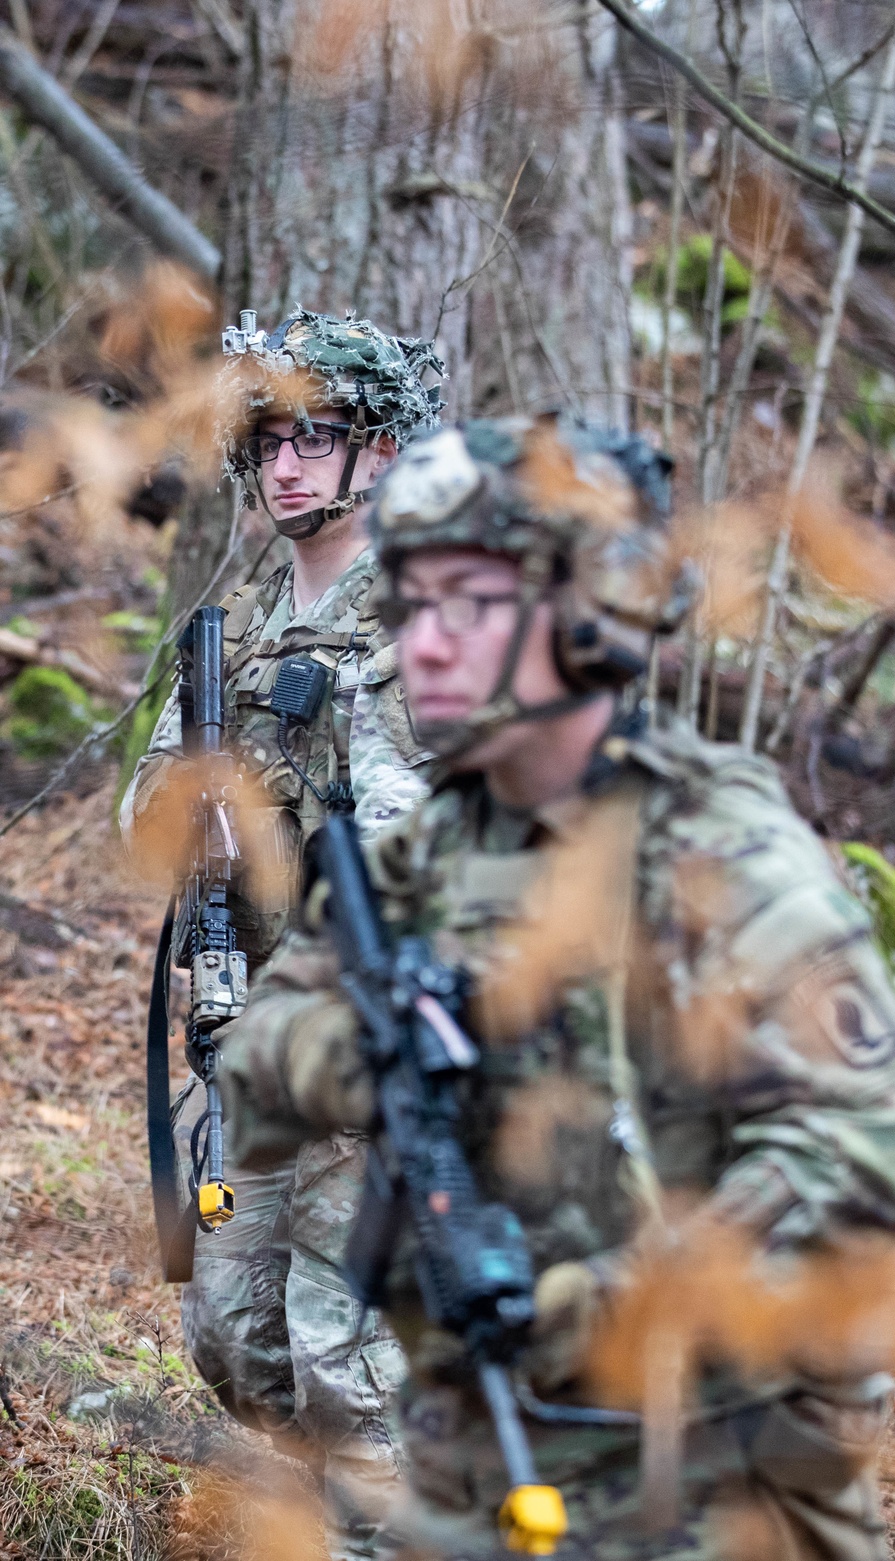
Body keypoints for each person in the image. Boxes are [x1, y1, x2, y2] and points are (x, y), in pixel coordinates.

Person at [215, 415, 895, 1561]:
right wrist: (373, 1053)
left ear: (585, 616)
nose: (423, 644)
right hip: (473, 1463)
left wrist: (600, 1299)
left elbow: (858, 1186)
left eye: (467, 604)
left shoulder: (719, 858)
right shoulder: (422, 855)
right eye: (408, 601)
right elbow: (256, 1067)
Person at [119, 309, 445, 1559]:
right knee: (234, 1340)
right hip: (249, 1039)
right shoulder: (238, 628)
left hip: (370, 1047)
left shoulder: (422, 615)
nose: (289, 461)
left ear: (377, 448)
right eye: (266, 439)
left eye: (318, 434)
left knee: (346, 1362)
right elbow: (153, 804)